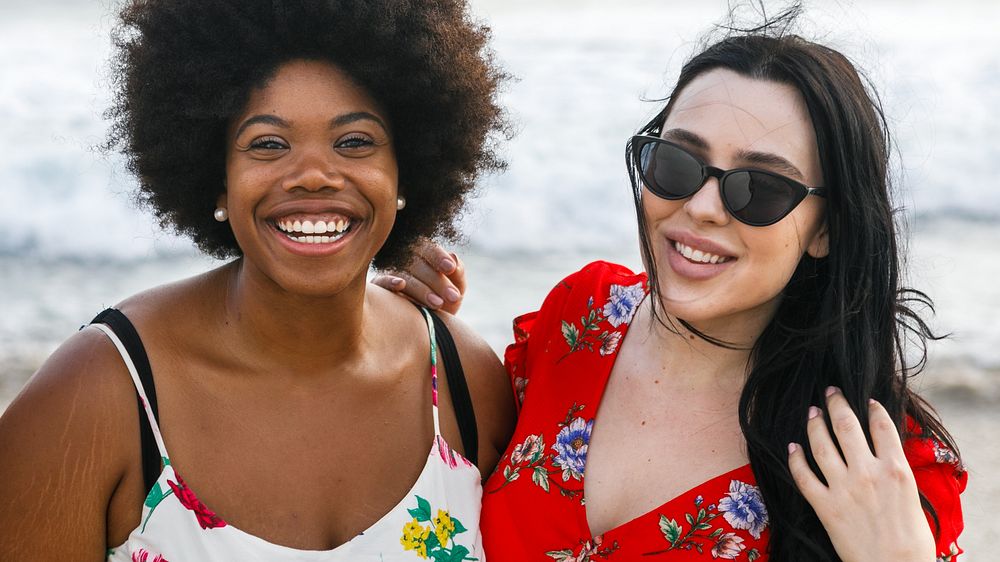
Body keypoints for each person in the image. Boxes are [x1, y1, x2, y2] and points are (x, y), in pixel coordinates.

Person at [379, 25, 967, 562]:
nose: (701, 208)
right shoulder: (582, 318)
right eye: (679, 164)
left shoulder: (884, 462)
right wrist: (409, 323)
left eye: (758, 188)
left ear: (827, 229)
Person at [0, 1, 516, 560]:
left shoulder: (466, 381)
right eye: (268, 143)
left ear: (405, 172)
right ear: (218, 179)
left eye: (355, 142)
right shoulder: (96, 395)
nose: (314, 174)